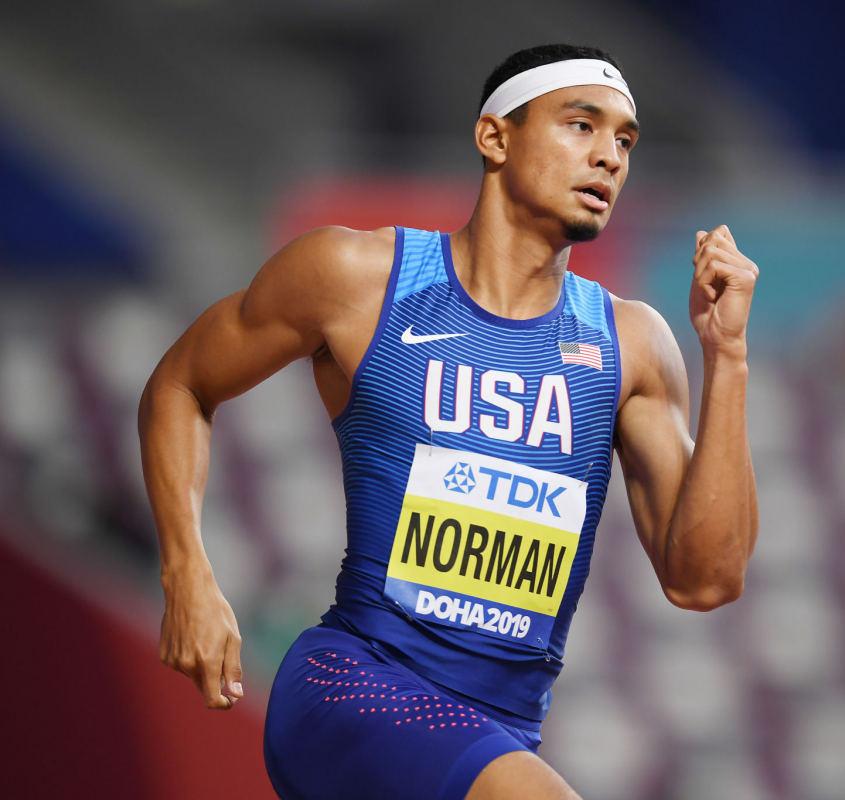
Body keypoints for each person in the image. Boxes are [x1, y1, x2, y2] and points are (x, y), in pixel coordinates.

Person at [139, 43, 758, 800]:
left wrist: (727, 357)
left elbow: (705, 580)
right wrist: (187, 574)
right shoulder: (357, 280)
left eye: (624, 139)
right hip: (354, 685)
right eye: (581, 125)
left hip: (500, 727)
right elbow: (179, 384)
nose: (609, 157)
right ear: (494, 137)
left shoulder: (629, 342)